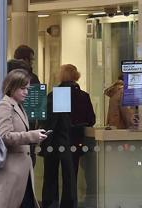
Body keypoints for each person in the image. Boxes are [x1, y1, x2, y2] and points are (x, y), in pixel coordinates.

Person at [0, 69, 48, 208]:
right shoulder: (4, 106)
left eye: (27, 89)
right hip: (10, 170)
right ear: (11, 87)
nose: (26, 92)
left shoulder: (17, 106)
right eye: (22, 88)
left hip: (21, 172)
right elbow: (5, 136)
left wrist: (36, 136)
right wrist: (32, 136)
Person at [41, 64, 95, 208]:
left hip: (55, 142)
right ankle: (69, 205)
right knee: (70, 178)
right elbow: (91, 120)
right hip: (74, 142)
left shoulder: (57, 94)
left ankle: (50, 204)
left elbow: (51, 121)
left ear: (61, 76)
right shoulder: (83, 96)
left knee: (51, 178)